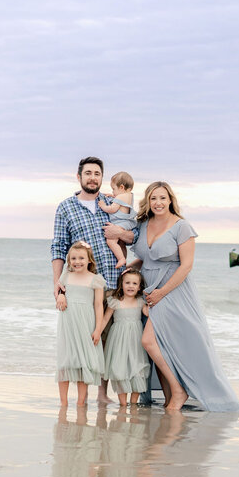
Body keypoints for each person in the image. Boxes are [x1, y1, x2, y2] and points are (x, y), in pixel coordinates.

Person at [129, 181, 239, 413]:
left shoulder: (182, 227)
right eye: (153, 198)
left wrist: (161, 292)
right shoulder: (142, 224)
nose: (158, 203)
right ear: (147, 202)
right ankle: (171, 397)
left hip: (173, 289)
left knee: (149, 341)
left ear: (170, 199)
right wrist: (128, 270)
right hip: (149, 289)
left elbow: (186, 266)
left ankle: (180, 391)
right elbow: (147, 258)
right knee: (161, 344)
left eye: (162, 198)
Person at [51, 156, 135, 402]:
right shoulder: (66, 207)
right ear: (79, 177)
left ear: (102, 177)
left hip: (114, 282)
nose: (92, 177)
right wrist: (58, 286)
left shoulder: (113, 202)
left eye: (97, 173)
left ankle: (102, 394)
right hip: (81, 287)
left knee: (110, 339)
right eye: (88, 173)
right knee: (84, 337)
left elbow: (135, 235)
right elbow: (58, 247)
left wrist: (120, 232)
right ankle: (80, 395)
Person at [56, 241, 107, 407]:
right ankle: (63, 403)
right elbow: (59, 292)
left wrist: (98, 329)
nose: (77, 262)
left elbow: (98, 305)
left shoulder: (96, 280)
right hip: (68, 322)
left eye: (81, 258)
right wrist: (61, 296)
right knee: (66, 360)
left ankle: (80, 402)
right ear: (69, 261)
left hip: (86, 323)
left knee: (82, 361)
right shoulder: (65, 276)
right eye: (73, 258)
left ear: (89, 260)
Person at [95, 268, 151, 407]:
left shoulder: (140, 302)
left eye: (134, 283)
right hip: (118, 340)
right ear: (121, 284)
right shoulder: (114, 301)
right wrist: (97, 333)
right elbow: (105, 319)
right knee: (120, 368)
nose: (130, 286)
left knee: (137, 368)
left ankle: (133, 404)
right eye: (127, 283)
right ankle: (123, 404)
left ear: (139, 287)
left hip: (135, 341)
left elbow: (149, 313)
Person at [98, 171, 138, 269]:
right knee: (121, 243)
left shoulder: (120, 196)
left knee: (111, 241)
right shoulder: (129, 195)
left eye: (114, 189)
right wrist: (113, 196)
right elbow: (119, 200)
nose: (113, 192)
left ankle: (121, 259)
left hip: (120, 223)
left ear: (121, 187)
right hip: (128, 223)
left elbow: (112, 209)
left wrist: (103, 206)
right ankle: (123, 262)